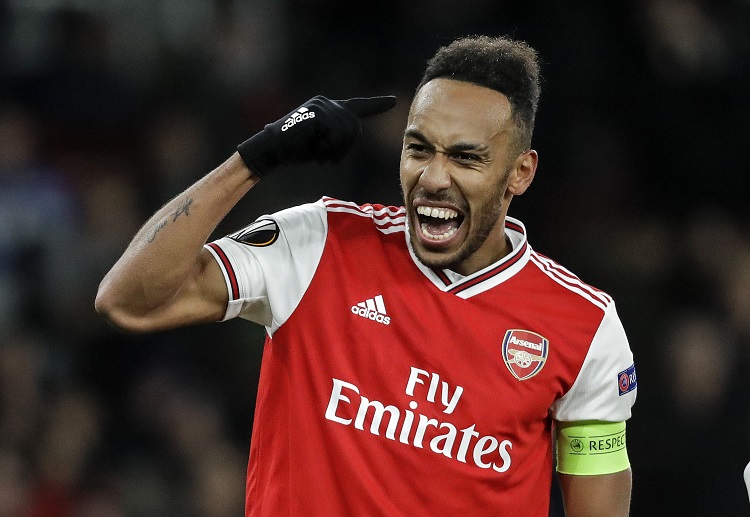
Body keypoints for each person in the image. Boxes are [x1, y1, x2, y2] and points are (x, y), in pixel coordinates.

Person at [96, 35, 637, 516]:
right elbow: (128, 300)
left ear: (520, 172)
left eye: (465, 158)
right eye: (418, 149)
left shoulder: (584, 329)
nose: (433, 177)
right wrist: (252, 160)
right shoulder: (320, 244)